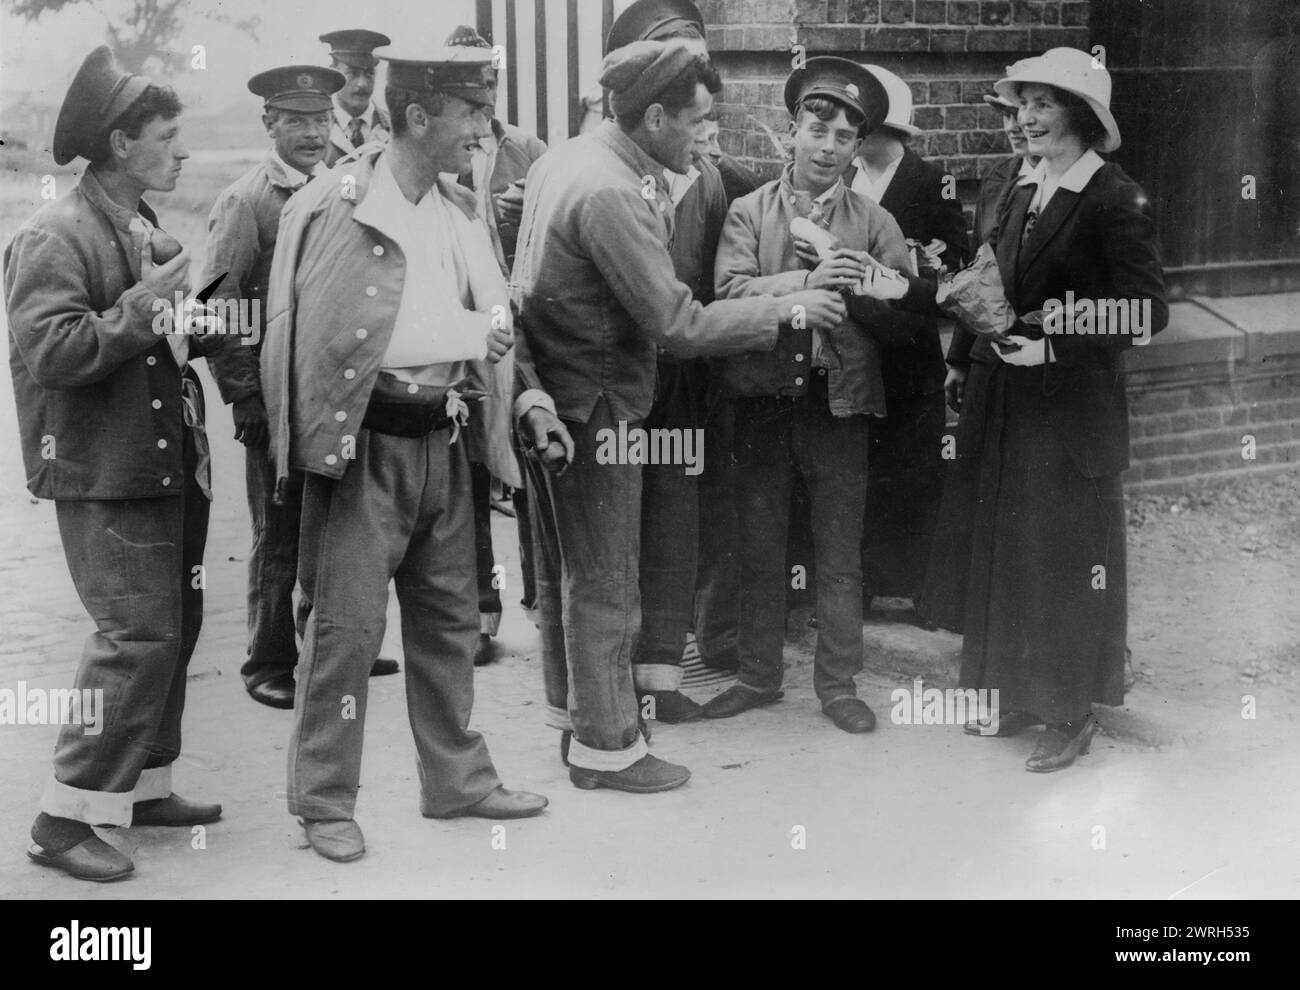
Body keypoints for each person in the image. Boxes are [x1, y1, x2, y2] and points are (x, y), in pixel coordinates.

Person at [513, 38, 846, 791]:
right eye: (697, 120)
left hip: (552, 401)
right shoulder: (612, 192)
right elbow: (678, 324)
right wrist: (788, 309)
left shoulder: (566, 161)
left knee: (571, 570)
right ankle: (609, 748)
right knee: (606, 577)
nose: (706, 134)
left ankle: (575, 717)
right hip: (598, 407)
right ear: (655, 115)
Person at [261, 46, 547, 863]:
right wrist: (466, 336)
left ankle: (456, 779)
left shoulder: (458, 206)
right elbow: (316, 340)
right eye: (469, 113)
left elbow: (496, 325)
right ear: (419, 116)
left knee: (451, 624)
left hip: (444, 438)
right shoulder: (336, 203)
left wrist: (520, 396)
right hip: (365, 450)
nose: (483, 129)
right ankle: (322, 803)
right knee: (345, 632)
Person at [875, 48, 1168, 771]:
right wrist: (957, 362)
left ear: (1081, 116)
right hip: (999, 393)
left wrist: (1057, 349)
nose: (1025, 118)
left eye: (1042, 104)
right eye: (1021, 104)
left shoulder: (1113, 197)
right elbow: (986, 279)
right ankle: (1009, 693)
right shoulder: (1011, 181)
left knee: (1063, 554)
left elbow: (1147, 310)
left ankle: (1068, 712)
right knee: (1003, 546)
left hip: (1069, 408)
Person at [6, 47, 221, 881]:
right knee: (135, 637)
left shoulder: (140, 227)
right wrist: (144, 309)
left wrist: (201, 322)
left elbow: (150, 338)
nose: (182, 152)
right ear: (122, 144)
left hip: (161, 462)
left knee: (175, 628)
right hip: (103, 471)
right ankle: (61, 819)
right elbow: (53, 350)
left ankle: (140, 789)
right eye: (168, 137)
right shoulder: (52, 235)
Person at [705, 56, 915, 734]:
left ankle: (840, 686)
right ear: (789, 133)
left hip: (840, 404)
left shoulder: (875, 222)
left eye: (844, 138)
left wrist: (865, 285)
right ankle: (759, 676)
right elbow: (727, 294)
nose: (827, 148)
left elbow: (909, 313)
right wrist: (802, 290)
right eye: (816, 130)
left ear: (858, 148)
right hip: (763, 401)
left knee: (838, 553)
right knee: (760, 544)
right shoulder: (748, 211)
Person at [201, 65, 399, 710]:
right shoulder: (246, 201)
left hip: (336, 390)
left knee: (339, 521)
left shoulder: (346, 184)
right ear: (269, 125)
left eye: (322, 120)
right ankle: (267, 660)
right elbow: (213, 307)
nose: (314, 133)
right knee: (279, 528)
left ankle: (331, 646)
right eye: (297, 122)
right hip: (275, 398)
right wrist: (246, 397)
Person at [845, 63, 969, 621]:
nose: (853, 138)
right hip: (852, 343)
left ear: (890, 132)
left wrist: (911, 263)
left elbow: (956, 268)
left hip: (907, 348)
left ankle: (923, 589)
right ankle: (862, 585)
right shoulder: (840, 178)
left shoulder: (929, 180)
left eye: (862, 126)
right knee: (861, 468)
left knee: (913, 470)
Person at [919, 72, 1038, 633]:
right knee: (978, 486)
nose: (1015, 128)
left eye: (1025, 115)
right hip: (990, 357)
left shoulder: (1084, 187)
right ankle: (976, 619)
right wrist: (961, 357)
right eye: (1007, 117)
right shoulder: (998, 179)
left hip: (1044, 363)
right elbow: (977, 276)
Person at [319, 29, 392, 167]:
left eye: (369, 73)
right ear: (333, 73)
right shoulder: (317, 127)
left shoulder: (394, 128)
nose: (362, 83)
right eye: (352, 73)